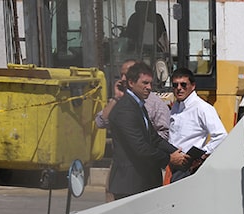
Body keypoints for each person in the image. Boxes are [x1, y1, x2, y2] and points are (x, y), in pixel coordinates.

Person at [107, 62, 185, 199]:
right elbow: (140, 147)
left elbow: (153, 137)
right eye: (145, 83)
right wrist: (169, 158)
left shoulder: (138, 105)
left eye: (150, 84)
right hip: (130, 184)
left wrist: (175, 152)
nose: (149, 88)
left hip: (143, 181)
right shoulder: (126, 109)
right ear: (131, 83)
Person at [167, 68, 227, 182]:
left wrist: (201, 155)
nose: (179, 88)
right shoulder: (176, 106)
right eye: (175, 85)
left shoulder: (202, 108)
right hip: (174, 164)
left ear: (193, 86)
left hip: (188, 166)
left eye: (183, 84)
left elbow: (221, 135)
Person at [96, 58, 169, 140]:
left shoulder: (155, 104)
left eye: (126, 75)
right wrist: (116, 98)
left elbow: (164, 133)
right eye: (121, 75)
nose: (123, 79)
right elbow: (100, 122)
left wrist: (145, 145)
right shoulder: (119, 100)